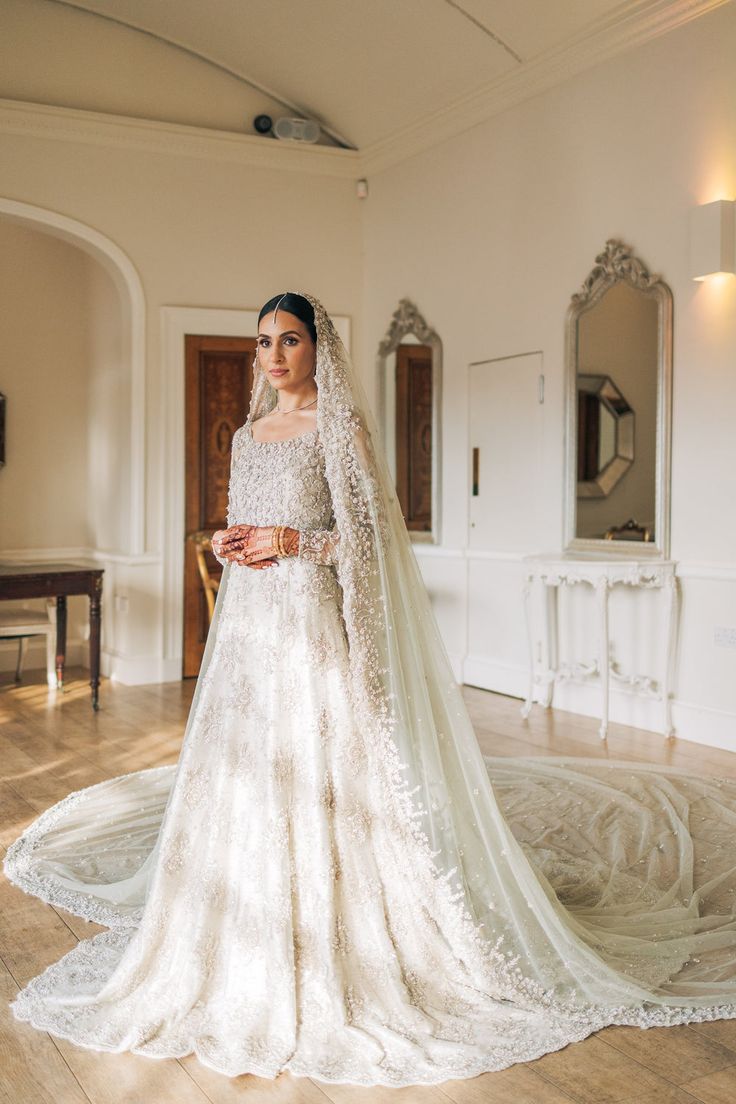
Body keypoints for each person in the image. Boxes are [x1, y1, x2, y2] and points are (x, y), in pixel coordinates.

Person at [5, 291, 736, 1088]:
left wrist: (292, 541)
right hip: (249, 632)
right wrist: (229, 540)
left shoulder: (339, 429)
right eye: (263, 343)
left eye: (289, 340)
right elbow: (242, 518)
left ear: (318, 349)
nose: (274, 355)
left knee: (325, 770)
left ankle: (345, 925)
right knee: (243, 773)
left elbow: (370, 541)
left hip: (312, 624)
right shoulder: (249, 434)